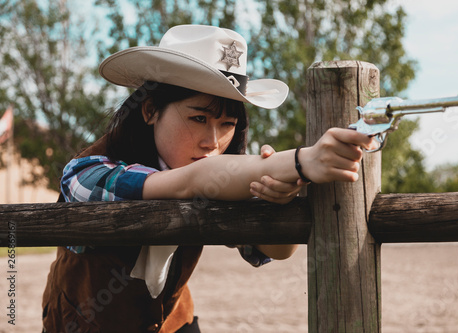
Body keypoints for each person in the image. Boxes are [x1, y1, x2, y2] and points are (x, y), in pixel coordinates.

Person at [42, 25, 376, 333]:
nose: (212, 141)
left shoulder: (218, 175)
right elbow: (192, 181)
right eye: (199, 118)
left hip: (176, 323)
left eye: (227, 124)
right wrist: (303, 161)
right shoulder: (87, 174)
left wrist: (281, 194)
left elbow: (275, 248)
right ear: (149, 111)